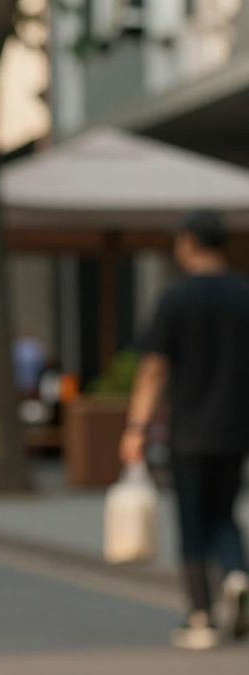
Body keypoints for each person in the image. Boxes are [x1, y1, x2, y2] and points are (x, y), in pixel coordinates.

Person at [122, 209, 249, 650]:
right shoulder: (243, 294)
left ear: (190, 242)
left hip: (190, 429)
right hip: (236, 429)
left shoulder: (175, 299)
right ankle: (237, 574)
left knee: (193, 521)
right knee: (226, 511)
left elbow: (154, 370)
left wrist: (136, 427)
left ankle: (201, 617)